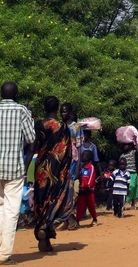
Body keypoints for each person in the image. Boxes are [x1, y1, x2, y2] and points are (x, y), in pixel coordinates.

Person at [0, 82, 35, 264]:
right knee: (11, 211)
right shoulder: (21, 110)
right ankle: (4, 254)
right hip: (14, 168)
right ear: (16, 94)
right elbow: (31, 138)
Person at [33, 96, 73, 253]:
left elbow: (34, 145)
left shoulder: (39, 125)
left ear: (44, 108)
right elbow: (67, 152)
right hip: (56, 170)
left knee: (41, 198)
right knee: (54, 199)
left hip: (41, 167)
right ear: (57, 109)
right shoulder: (62, 127)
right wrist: (66, 171)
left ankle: (43, 230)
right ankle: (46, 228)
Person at [76, 150, 98, 226]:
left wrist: (88, 185)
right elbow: (79, 177)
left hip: (89, 191)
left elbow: (92, 177)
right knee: (80, 206)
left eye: (85, 155)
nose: (83, 157)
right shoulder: (81, 167)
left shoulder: (91, 167)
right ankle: (77, 220)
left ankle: (94, 219)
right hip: (82, 190)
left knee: (91, 205)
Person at [121, 143, 138, 210]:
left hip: (133, 173)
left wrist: (135, 142)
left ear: (130, 146)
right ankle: (123, 204)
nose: (125, 146)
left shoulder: (132, 152)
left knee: (133, 187)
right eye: (124, 145)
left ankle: (133, 204)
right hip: (125, 174)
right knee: (125, 189)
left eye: (126, 145)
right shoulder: (122, 155)